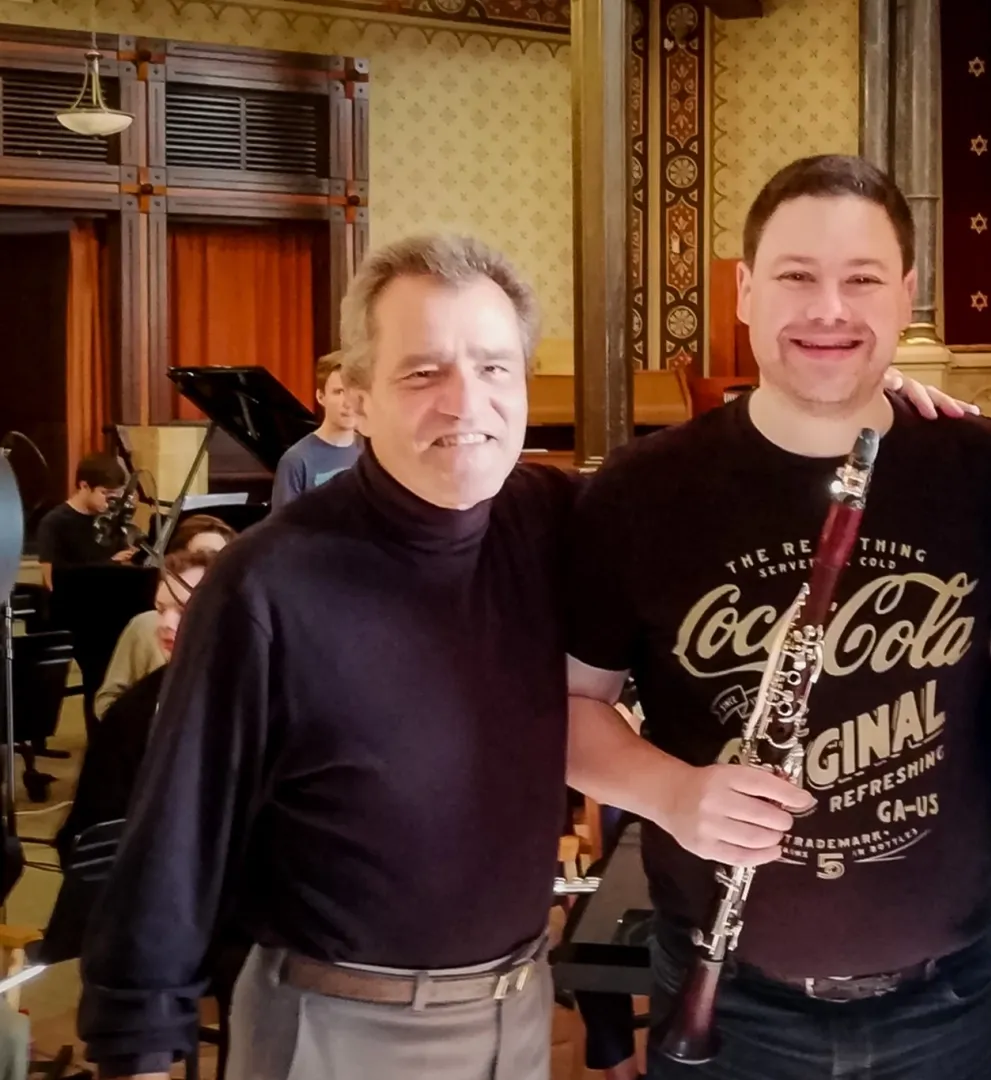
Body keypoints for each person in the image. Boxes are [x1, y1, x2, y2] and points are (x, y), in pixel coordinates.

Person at [565, 155, 991, 1080]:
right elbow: (567, 711)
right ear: (743, 292)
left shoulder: (980, 467)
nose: (830, 310)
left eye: (862, 280)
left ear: (906, 296)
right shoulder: (639, 493)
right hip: (728, 995)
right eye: (796, 277)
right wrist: (673, 794)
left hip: (947, 997)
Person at [77, 234, 578, 1080]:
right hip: (332, 1027)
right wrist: (138, 1048)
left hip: (516, 1015)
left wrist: (880, 415)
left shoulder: (556, 525)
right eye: (423, 372)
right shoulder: (267, 582)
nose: (466, 402)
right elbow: (178, 836)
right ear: (358, 398)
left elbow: (709, 502)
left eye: (495, 368)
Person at [58, 546, 217, 860]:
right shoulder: (133, 711)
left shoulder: (270, 699)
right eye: (160, 609)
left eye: (183, 608)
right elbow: (88, 833)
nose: (166, 623)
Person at [93, 515, 237, 716]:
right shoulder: (145, 627)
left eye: (218, 558)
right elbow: (108, 703)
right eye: (199, 556)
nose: (167, 623)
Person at [271, 351, 362, 508]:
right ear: (321, 397)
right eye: (339, 392)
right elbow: (284, 529)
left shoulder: (374, 452)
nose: (348, 402)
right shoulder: (296, 461)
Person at [33, 453, 132, 589]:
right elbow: (50, 582)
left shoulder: (111, 519)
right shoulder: (54, 522)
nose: (112, 501)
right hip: (71, 603)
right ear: (84, 486)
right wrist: (110, 564)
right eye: (106, 493)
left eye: (116, 495)